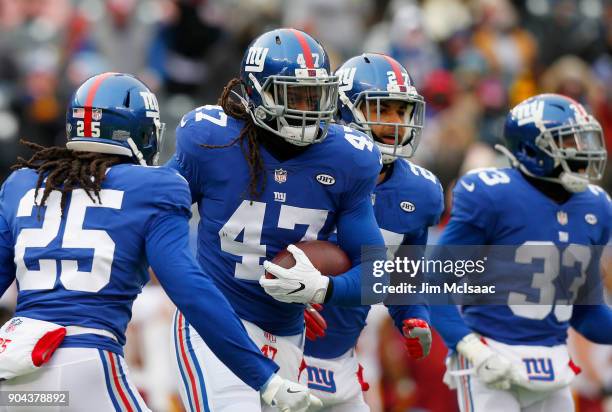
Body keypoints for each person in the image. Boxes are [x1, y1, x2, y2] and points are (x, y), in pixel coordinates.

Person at [0, 72, 318, 412]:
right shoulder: (155, 187)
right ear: (138, 132)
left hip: (18, 375)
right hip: (88, 364)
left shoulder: (20, 184)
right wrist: (264, 377)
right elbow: (190, 290)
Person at [166, 28, 386, 411]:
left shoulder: (350, 159)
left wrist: (322, 289)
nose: (309, 108)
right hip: (217, 323)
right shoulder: (211, 140)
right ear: (255, 92)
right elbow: (157, 213)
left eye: (316, 95)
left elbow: (377, 272)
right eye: (294, 96)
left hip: (288, 335)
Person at [432, 93, 612, 411]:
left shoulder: (596, 205)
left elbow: (587, 313)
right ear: (532, 148)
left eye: (583, 140)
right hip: (491, 357)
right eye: (568, 141)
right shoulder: (491, 194)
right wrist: (469, 347)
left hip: (554, 362)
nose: (583, 151)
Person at [302, 53, 444, 411]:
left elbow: (403, 278)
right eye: (383, 109)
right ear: (345, 111)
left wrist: (414, 315)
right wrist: (275, 299)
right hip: (278, 347)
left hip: (343, 361)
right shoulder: (304, 166)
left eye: (402, 111)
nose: (396, 123)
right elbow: (253, 251)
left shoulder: (420, 192)